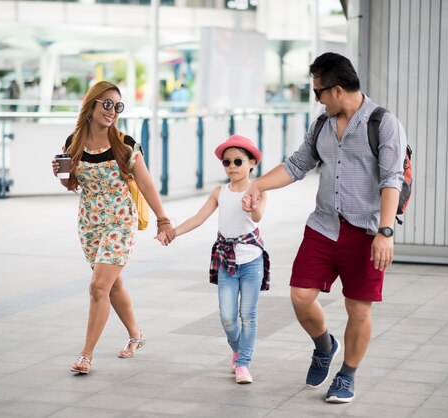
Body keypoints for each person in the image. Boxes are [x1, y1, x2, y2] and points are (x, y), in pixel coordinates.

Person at [242, 52, 406, 403]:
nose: (315, 98)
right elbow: (298, 163)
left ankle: (347, 374)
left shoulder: (383, 123)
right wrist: (257, 186)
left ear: (337, 89)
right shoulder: (321, 124)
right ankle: (324, 344)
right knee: (300, 296)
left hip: (365, 231)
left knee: (358, 308)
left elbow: (392, 179)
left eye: (318, 92)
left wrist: (385, 232)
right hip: (323, 225)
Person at [51, 80, 176, 374]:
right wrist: (59, 174)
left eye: (117, 106)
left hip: (120, 222)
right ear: (92, 104)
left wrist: (163, 219)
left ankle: (86, 355)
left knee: (98, 286)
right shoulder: (73, 143)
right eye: (107, 104)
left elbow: (145, 183)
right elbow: (72, 185)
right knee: (112, 283)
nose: (112, 111)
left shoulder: (125, 144)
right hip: (89, 223)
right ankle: (136, 334)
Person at [157, 135, 271, 384]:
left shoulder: (258, 190)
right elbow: (198, 218)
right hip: (225, 261)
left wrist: (252, 206)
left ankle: (243, 364)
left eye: (238, 161)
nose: (231, 166)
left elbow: (259, 216)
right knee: (228, 317)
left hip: (252, 261)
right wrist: (172, 233)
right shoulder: (220, 192)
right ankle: (238, 349)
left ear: (251, 163)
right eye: (226, 162)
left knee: (248, 315)